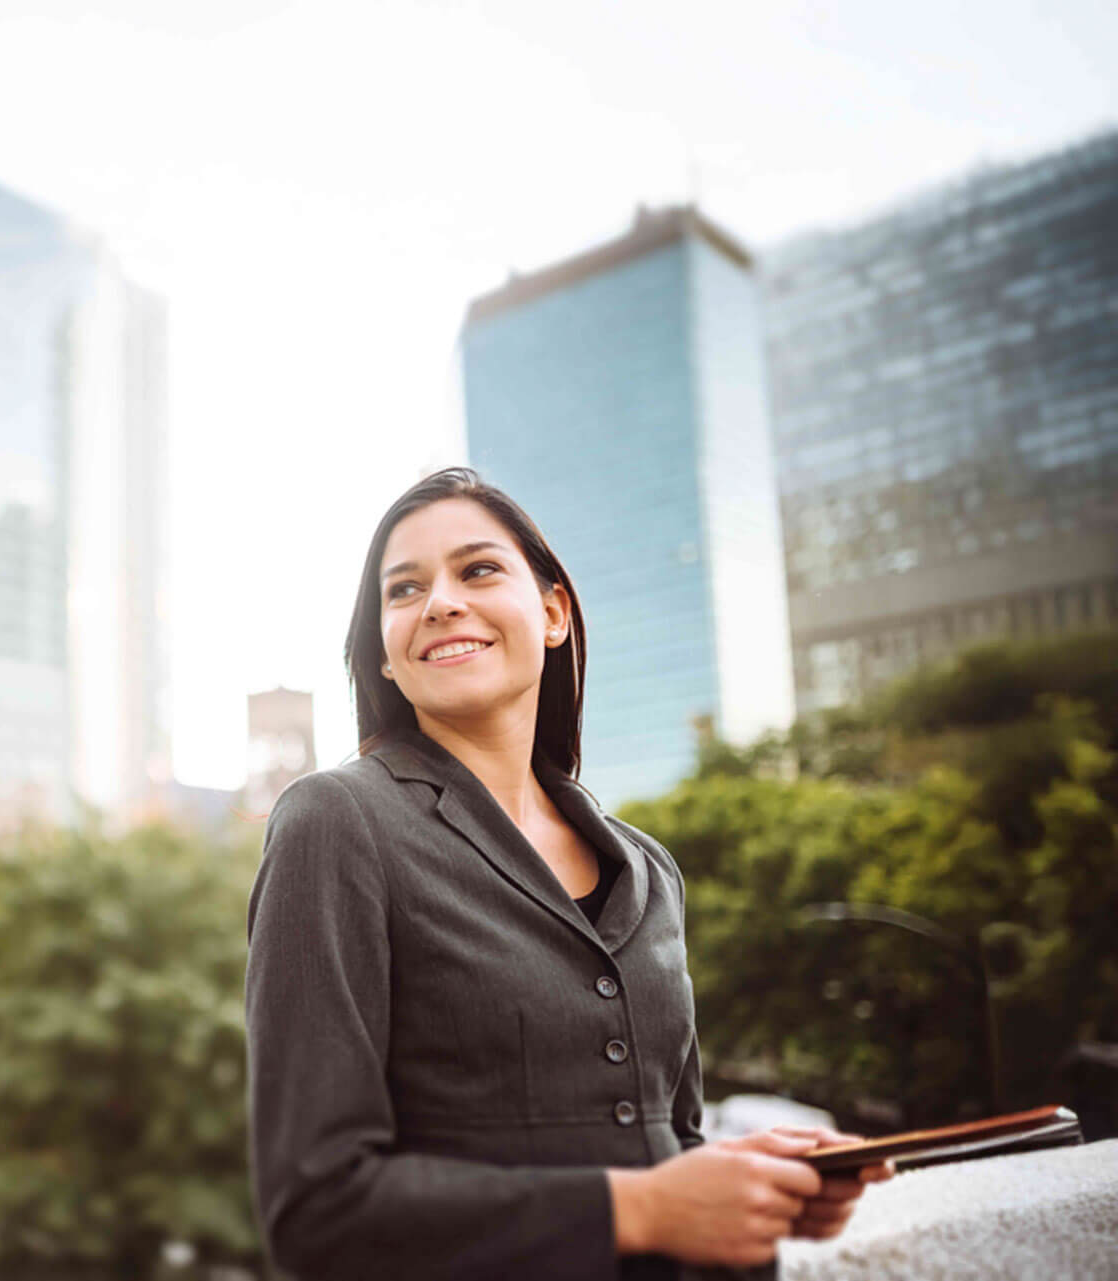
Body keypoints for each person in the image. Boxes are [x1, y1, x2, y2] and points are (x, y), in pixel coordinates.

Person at [244, 468, 892, 1280]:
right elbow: (317, 1209)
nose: (441, 600)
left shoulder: (652, 870)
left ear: (552, 612)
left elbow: (670, 1139)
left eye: (478, 569)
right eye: (404, 589)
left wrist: (754, 1180)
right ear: (382, 655)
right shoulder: (335, 823)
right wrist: (641, 1209)